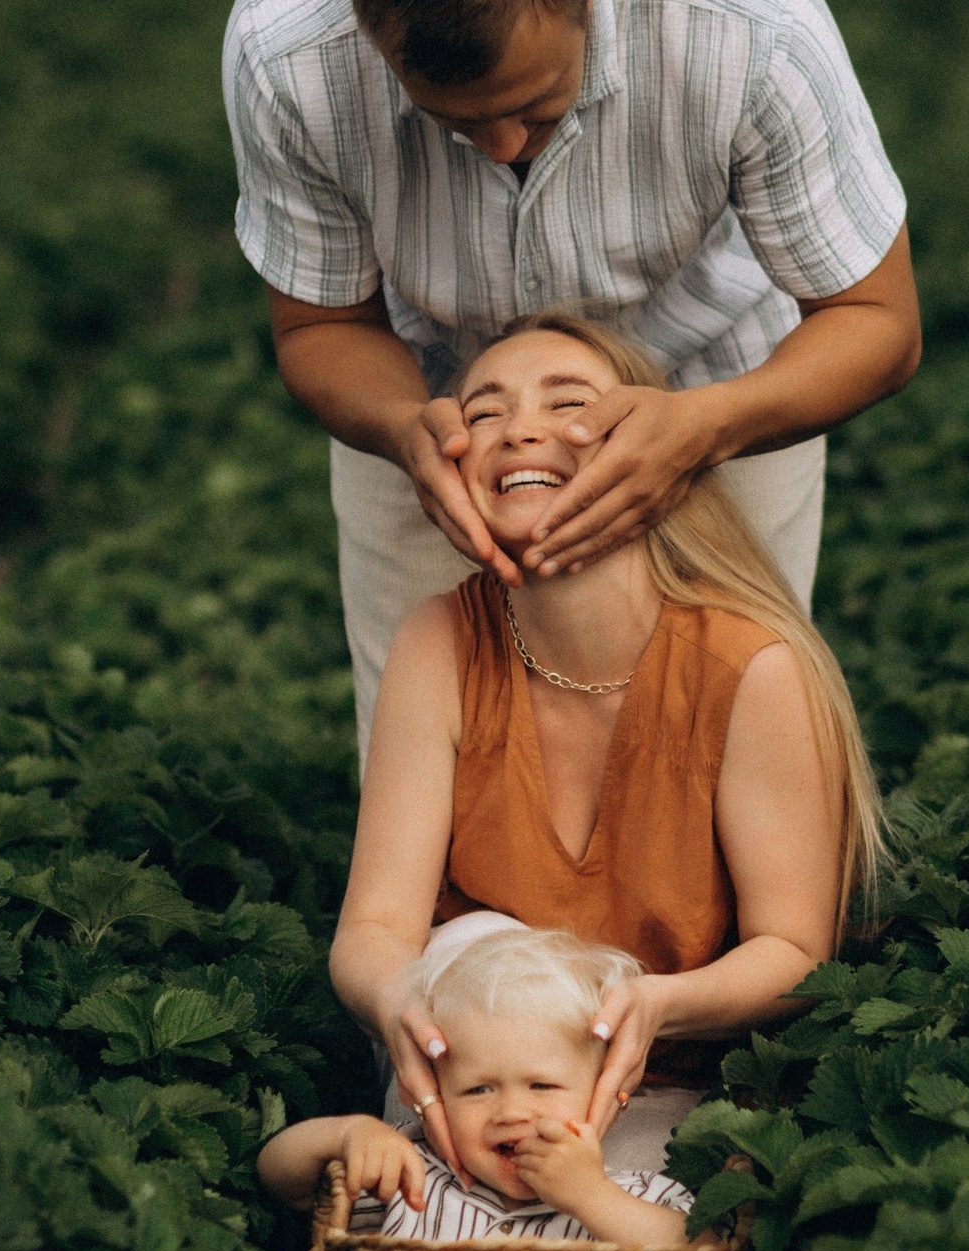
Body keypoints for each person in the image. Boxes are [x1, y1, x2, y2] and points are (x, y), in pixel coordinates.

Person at [222, 0, 922, 763]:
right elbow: (324, 326)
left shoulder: (758, 30)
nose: (499, 148)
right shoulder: (288, 54)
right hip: (432, 396)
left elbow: (874, 318)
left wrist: (710, 426)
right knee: (435, 750)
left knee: (732, 734)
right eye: (450, 120)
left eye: (537, 108)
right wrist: (403, 428)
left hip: (720, 379)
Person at [327, 312, 887, 1172]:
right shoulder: (438, 641)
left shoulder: (753, 665)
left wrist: (656, 1004)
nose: (519, 429)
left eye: (569, 405)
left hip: (675, 1089)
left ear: (656, 453)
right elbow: (374, 925)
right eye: (482, 413)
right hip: (478, 1088)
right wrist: (398, 999)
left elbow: (795, 952)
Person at [258, 922, 707, 1247]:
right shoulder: (415, 1178)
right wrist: (350, 1133)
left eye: (542, 1086)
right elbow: (279, 1179)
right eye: (478, 1090)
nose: (511, 1112)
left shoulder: (633, 1195)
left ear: (602, 1086)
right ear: (436, 1091)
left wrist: (591, 1195)